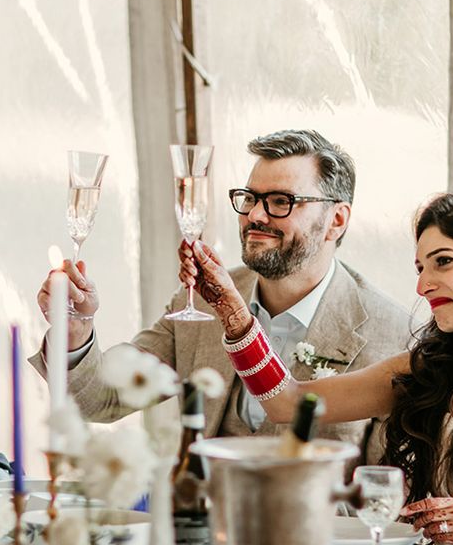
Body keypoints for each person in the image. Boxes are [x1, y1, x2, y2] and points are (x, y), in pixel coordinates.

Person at [178, 189, 453, 545]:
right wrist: (234, 313)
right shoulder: (424, 370)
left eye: (443, 262)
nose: (422, 285)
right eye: (420, 267)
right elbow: (287, 403)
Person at [31, 130, 409, 458]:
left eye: (281, 201)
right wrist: (77, 328)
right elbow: (99, 400)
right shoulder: (198, 304)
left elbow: (380, 492)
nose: (256, 216)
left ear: (336, 220)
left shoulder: (391, 335)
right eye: (250, 198)